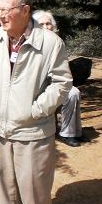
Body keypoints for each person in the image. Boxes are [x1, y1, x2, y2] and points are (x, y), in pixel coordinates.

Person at [0, 0, 72, 204]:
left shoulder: (50, 42)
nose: (0, 16)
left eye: (6, 10)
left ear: (25, 10)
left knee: (33, 180)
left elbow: (62, 83)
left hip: (33, 126)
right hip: (0, 124)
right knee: (5, 177)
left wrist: (37, 109)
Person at [32, 10, 87, 147]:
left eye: (48, 23)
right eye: (41, 24)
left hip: (55, 82)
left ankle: (70, 132)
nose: (45, 26)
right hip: (36, 84)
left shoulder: (57, 43)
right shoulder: (30, 43)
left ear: (53, 26)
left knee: (73, 93)